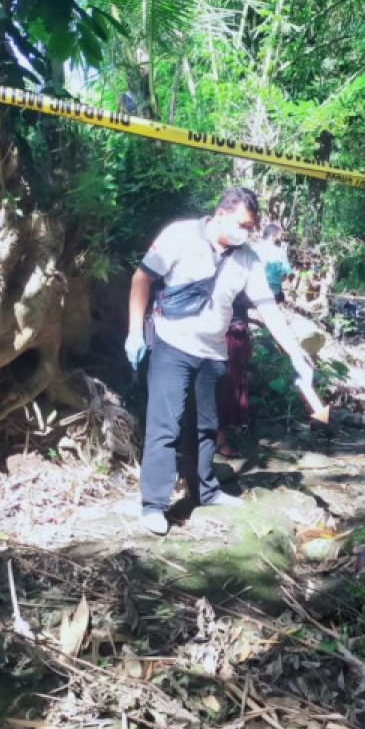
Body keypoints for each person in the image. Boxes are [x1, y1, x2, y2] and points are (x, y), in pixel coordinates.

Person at [125, 187, 314, 535]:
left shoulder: (247, 259)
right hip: (171, 344)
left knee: (205, 428)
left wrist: (295, 354)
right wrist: (135, 332)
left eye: (251, 226)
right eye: (242, 223)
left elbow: (268, 308)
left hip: (212, 353)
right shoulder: (179, 236)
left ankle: (205, 491)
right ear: (221, 213)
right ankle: (154, 505)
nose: (246, 231)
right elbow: (142, 278)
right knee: (165, 427)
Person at [215, 292, 252, 458]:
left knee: (231, 384)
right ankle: (218, 438)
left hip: (237, 330)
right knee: (222, 386)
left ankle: (221, 434)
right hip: (224, 333)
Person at [258, 223, 293, 303]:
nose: (280, 238)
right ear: (273, 236)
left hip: (252, 290)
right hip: (273, 292)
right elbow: (287, 273)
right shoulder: (279, 252)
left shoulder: (253, 249)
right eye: (279, 236)